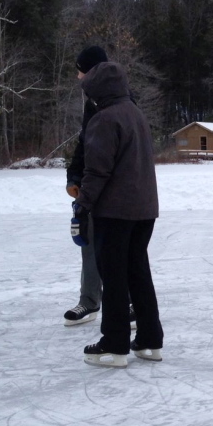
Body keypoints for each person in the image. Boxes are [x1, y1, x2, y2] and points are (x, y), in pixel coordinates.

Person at [73, 59, 163, 367]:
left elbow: (97, 171)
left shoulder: (104, 119)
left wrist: (82, 205)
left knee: (113, 276)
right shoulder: (135, 113)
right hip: (144, 209)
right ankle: (150, 341)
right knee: (138, 271)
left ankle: (114, 344)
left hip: (115, 211)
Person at [63, 46, 107, 326]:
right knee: (89, 243)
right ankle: (89, 302)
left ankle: (128, 302)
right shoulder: (91, 103)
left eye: (80, 70)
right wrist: (74, 176)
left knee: (121, 249)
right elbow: (84, 142)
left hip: (116, 189)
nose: (78, 77)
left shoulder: (122, 101)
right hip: (92, 185)